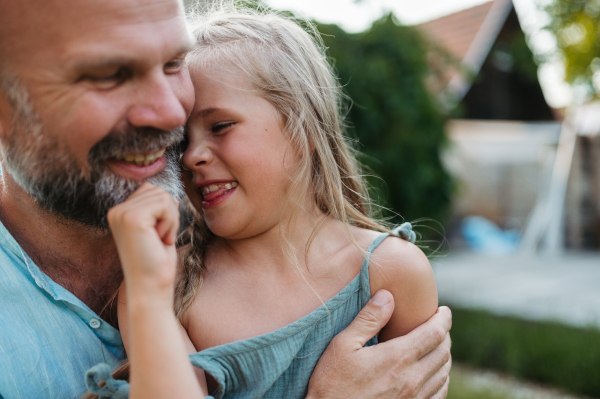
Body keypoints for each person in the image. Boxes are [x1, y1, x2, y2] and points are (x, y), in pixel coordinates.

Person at [0, 0, 451, 397]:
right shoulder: (168, 286)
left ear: (304, 128)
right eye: (108, 75)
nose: (185, 145)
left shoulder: (390, 272)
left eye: (174, 64)